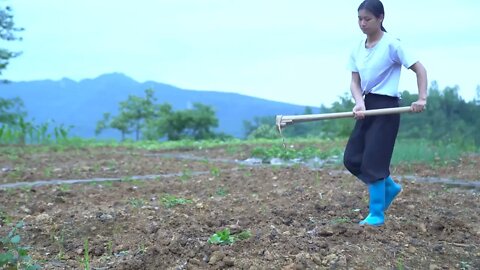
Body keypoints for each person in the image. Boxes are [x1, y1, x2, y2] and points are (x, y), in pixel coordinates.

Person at [343, 0, 427, 226]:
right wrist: (359, 103)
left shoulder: (392, 44)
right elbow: (354, 81)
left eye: (367, 19)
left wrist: (421, 98)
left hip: (387, 106)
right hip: (367, 105)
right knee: (352, 159)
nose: (362, 23)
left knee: (374, 161)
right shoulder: (357, 48)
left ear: (380, 18)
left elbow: (420, 69)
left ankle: (377, 214)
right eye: (359, 19)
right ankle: (389, 187)